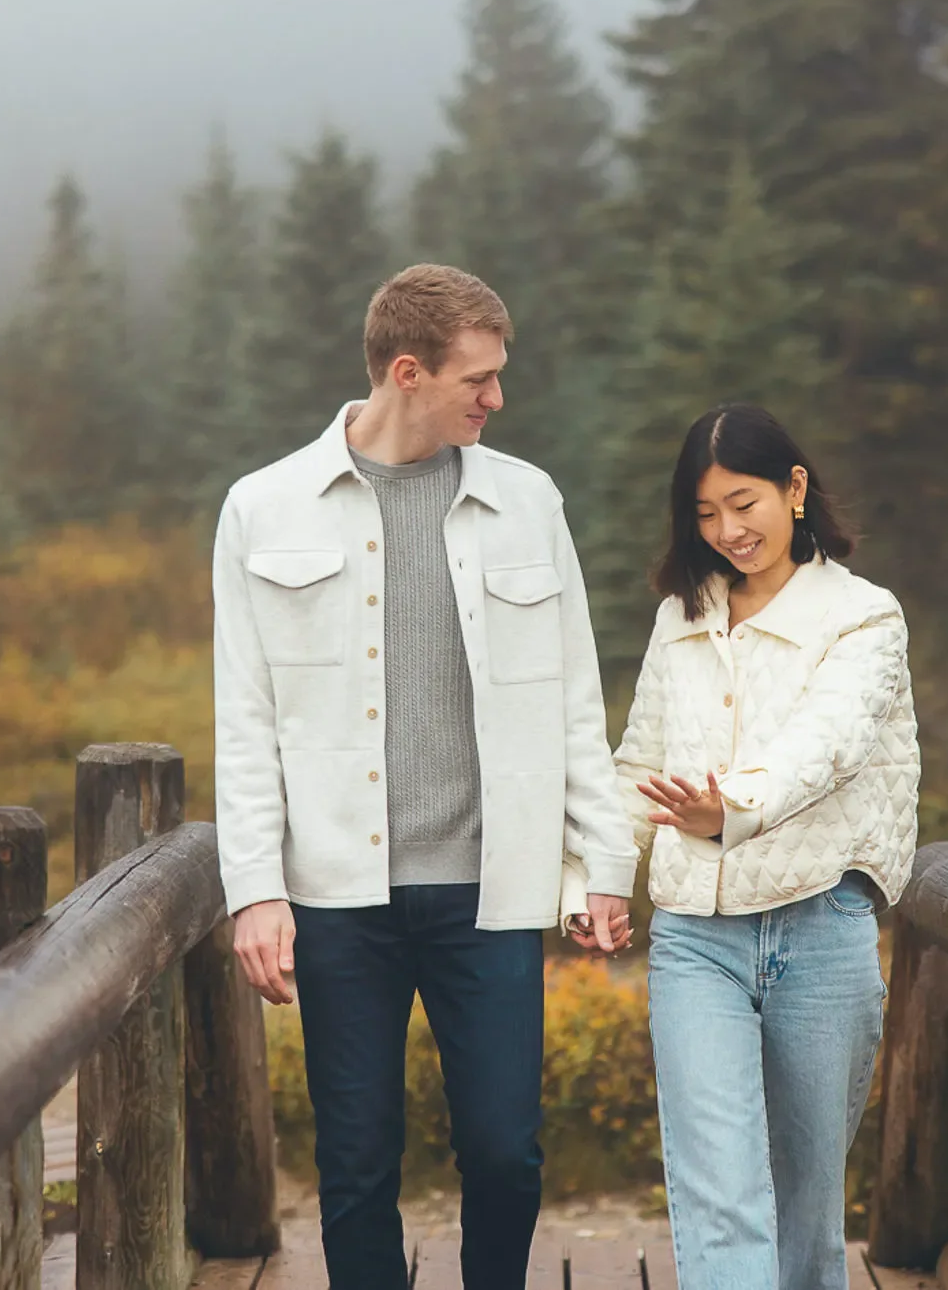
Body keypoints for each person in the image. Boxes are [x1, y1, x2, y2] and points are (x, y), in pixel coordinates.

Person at [212, 264, 639, 1290]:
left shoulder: (528, 501)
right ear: (408, 372)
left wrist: (601, 864)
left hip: (490, 888)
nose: (496, 400)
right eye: (477, 380)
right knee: (356, 1164)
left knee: (503, 1149)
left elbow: (573, 696)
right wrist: (254, 891)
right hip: (334, 896)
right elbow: (245, 721)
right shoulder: (261, 508)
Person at [569, 402, 920, 1288]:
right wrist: (602, 878)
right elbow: (638, 760)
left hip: (821, 927)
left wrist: (730, 809)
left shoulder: (864, 618)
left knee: (806, 1209)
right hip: (695, 940)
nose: (727, 530)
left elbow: (826, 747)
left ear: (794, 488)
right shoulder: (679, 616)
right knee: (720, 1191)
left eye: (744, 502)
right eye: (705, 512)